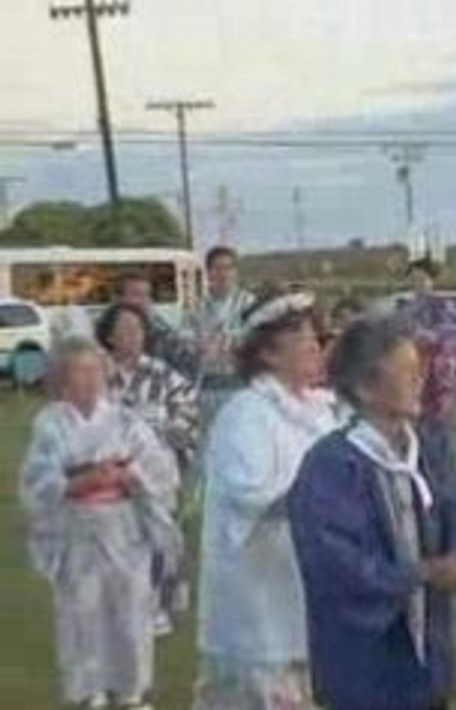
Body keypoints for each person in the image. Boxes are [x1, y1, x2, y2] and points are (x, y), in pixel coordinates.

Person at [288, 316, 456, 710]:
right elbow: (337, 566)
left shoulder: (428, 447)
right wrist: (424, 572)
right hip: (364, 671)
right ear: (366, 388)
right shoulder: (330, 467)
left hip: (428, 662)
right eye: (406, 372)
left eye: (418, 369)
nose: (419, 379)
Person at [193, 291, 340, 710]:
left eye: (315, 334)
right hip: (256, 611)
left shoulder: (321, 412)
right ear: (269, 354)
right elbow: (250, 498)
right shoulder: (246, 414)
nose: (315, 343)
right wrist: (322, 495)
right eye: (301, 335)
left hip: (306, 596)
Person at [19, 337, 181, 710]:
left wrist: (129, 475)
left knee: (130, 609)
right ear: (62, 378)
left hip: (124, 526)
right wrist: (79, 481)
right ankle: (90, 691)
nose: (89, 379)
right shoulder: (50, 424)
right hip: (77, 526)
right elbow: (37, 478)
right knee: (83, 611)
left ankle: (132, 691)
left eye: (95, 369)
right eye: (79, 370)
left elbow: (159, 465)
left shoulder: (125, 420)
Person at [96, 302, 200, 634]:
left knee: (158, 540)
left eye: (138, 329)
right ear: (109, 336)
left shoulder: (162, 374)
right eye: (125, 330)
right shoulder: (96, 375)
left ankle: (157, 606)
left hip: (156, 476)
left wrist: (169, 430)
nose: (133, 336)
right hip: (110, 478)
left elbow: (188, 412)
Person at [403, 257, 456, 470]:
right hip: (415, 378)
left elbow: (451, 336)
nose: (418, 284)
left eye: (422, 279)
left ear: (432, 280)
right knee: (418, 430)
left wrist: (426, 337)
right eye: (413, 280)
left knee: (442, 431)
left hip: (441, 379)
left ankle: (444, 474)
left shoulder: (444, 305)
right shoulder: (407, 310)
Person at [185, 246, 256, 427]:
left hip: (242, 385)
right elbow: (187, 342)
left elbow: (255, 340)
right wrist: (201, 346)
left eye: (229, 267)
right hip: (207, 387)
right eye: (217, 268)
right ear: (208, 273)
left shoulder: (249, 304)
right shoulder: (196, 307)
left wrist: (225, 343)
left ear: (236, 272)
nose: (223, 273)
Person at [114, 270, 200, 381]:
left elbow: (188, 375)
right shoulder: (104, 336)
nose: (144, 301)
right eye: (136, 294)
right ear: (119, 299)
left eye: (147, 295)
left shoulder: (166, 338)